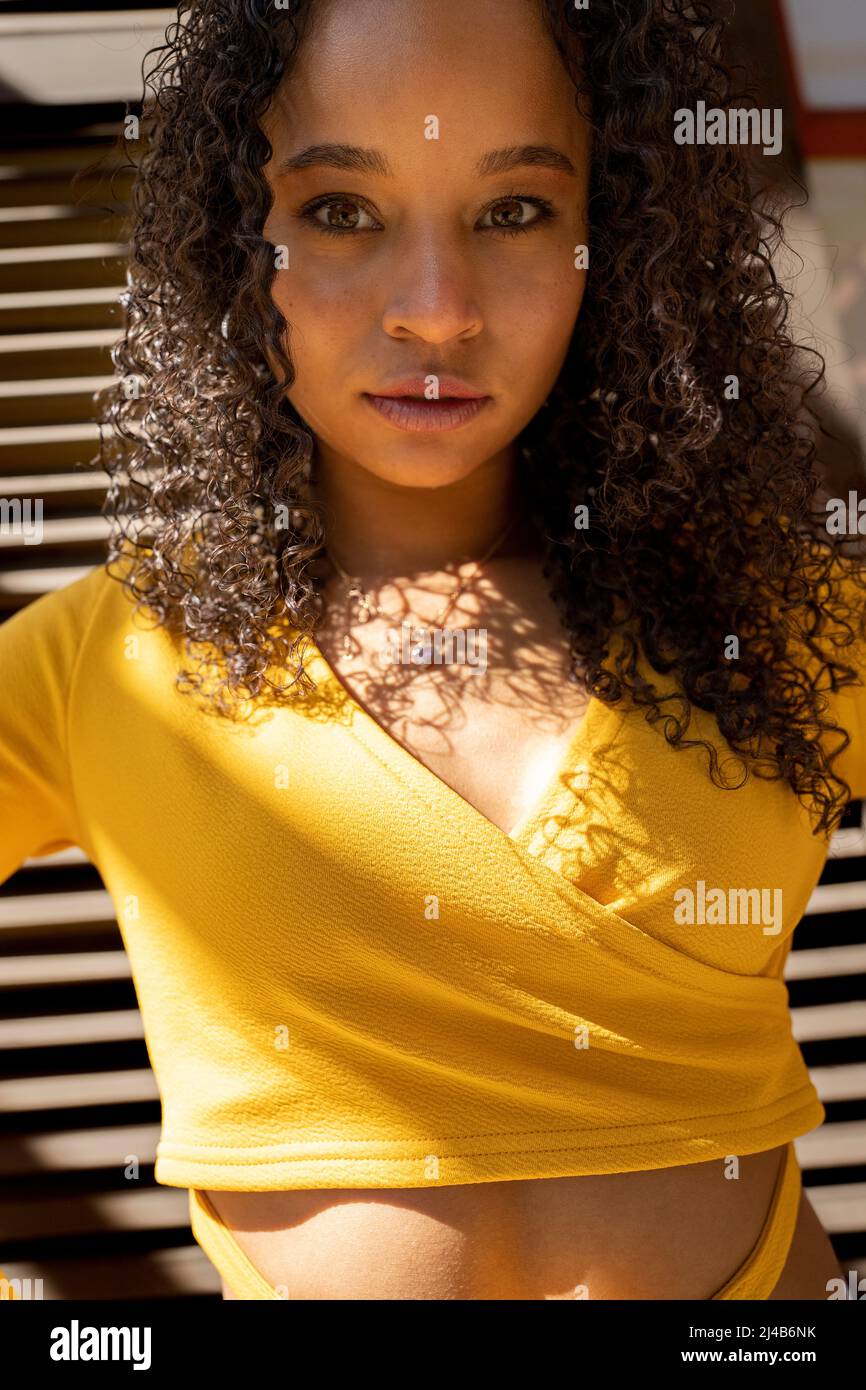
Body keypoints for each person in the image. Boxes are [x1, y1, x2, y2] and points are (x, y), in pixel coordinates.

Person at [2, 0, 865, 1301]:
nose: (437, 311)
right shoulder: (101, 663)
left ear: (607, 236)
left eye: (512, 208)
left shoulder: (787, 616)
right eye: (342, 209)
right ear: (238, 238)